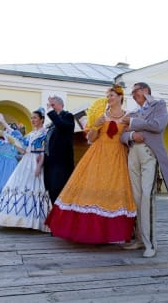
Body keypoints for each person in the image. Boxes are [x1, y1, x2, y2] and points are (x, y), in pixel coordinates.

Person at [45, 85, 137, 244]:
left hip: (117, 156)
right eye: (108, 95)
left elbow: (128, 138)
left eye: (112, 95)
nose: (109, 98)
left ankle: (109, 232)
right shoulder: (101, 115)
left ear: (120, 97)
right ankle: (87, 231)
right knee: (91, 189)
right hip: (98, 154)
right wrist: (96, 125)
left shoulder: (129, 116)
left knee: (112, 191)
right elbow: (92, 138)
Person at [120, 82, 168, 258]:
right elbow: (122, 134)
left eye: (135, 91)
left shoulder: (158, 105)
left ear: (145, 91)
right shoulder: (133, 112)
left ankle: (150, 243)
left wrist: (134, 123)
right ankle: (138, 239)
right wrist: (131, 135)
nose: (133, 94)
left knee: (146, 197)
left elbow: (158, 125)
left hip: (149, 154)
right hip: (133, 154)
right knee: (135, 197)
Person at [0, 108, 51, 232]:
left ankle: (35, 221)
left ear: (42, 119)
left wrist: (39, 166)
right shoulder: (31, 134)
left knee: (36, 188)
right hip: (26, 161)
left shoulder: (45, 133)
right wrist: (3, 122)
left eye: (35, 118)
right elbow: (20, 141)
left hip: (36, 161)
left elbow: (45, 151)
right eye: (32, 118)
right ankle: (19, 219)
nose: (33, 120)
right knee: (21, 187)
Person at [44, 95, 75, 204]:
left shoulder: (68, 116)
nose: (51, 108)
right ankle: (53, 216)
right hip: (50, 161)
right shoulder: (54, 121)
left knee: (59, 189)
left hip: (61, 162)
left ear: (61, 105)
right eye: (50, 106)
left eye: (53, 105)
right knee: (51, 189)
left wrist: (51, 112)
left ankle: (59, 217)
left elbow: (62, 126)